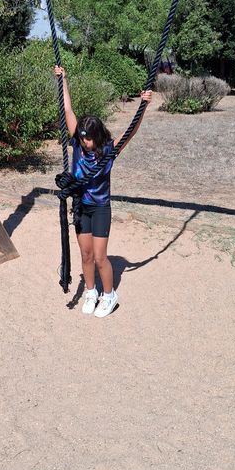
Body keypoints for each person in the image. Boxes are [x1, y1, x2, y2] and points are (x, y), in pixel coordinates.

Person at [54, 65, 153, 317]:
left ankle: (109, 295)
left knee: (99, 257)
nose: (84, 143)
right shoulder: (77, 143)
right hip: (80, 207)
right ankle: (91, 292)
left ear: (98, 137)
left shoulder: (108, 152)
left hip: (99, 209)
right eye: (82, 138)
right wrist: (63, 79)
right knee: (85, 255)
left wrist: (143, 105)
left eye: (88, 139)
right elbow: (68, 109)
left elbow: (130, 131)